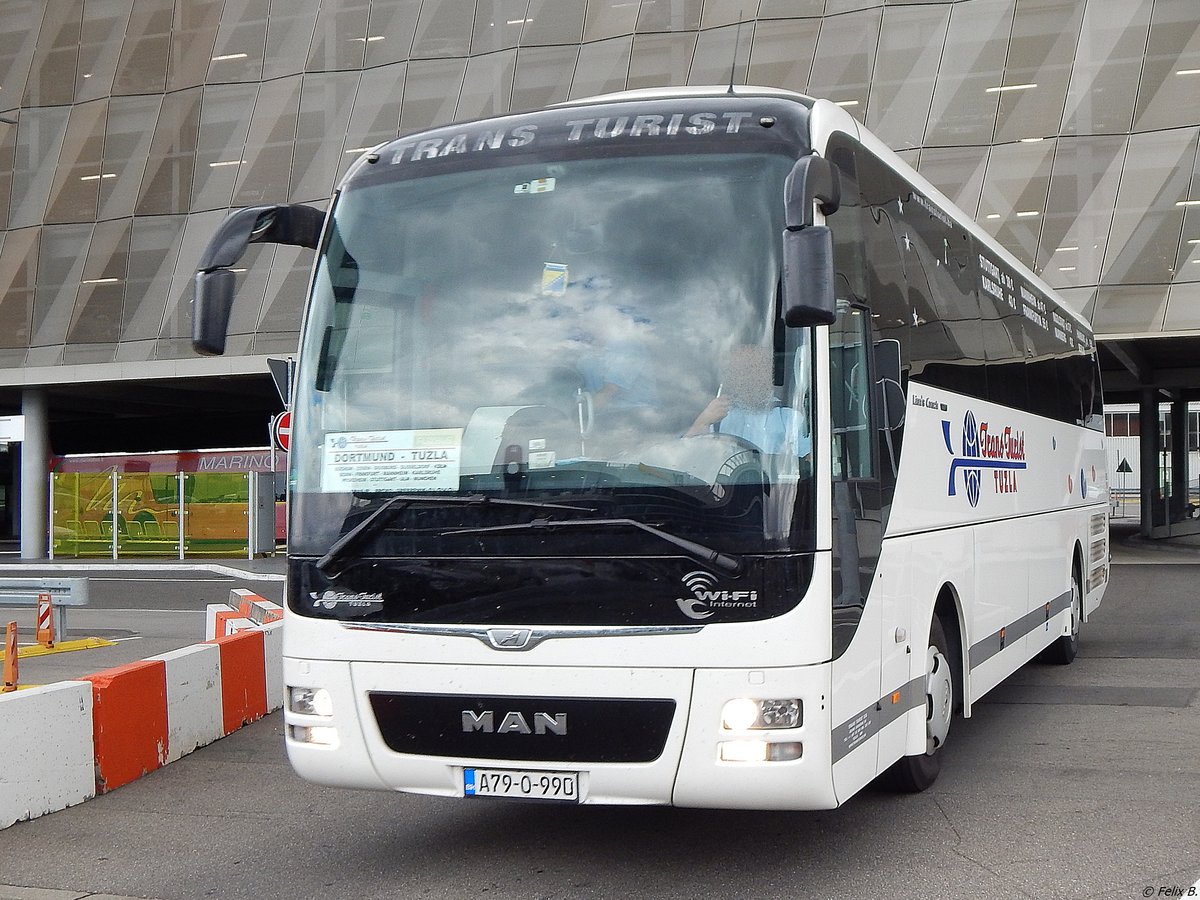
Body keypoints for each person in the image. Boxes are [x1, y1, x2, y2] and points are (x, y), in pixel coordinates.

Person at [684, 344, 811, 458]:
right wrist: (702, 422)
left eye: (756, 369)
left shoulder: (790, 418)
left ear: (769, 374)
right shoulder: (718, 416)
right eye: (741, 371)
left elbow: (810, 461)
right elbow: (683, 457)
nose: (748, 378)